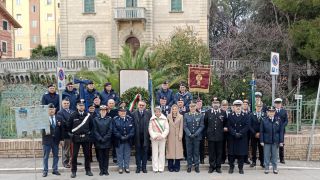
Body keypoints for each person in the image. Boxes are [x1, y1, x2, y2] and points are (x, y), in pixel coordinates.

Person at [68, 99, 94, 178]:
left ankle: (88, 170)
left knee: (87, 155)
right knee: (74, 156)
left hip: (85, 138)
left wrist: (89, 135)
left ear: (84, 107)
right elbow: (68, 127)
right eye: (80, 105)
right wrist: (71, 136)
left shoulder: (88, 115)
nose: (81, 107)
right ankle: (73, 171)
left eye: (82, 105)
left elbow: (92, 127)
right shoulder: (73, 115)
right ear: (77, 106)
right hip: (76, 139)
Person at [204, 99, 227, 174]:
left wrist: (224, 128)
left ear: (219, 104)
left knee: (219, 152)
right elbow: (205, 124)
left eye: (217, 103)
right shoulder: (208, 112)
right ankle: (211, 166)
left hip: (220, 135)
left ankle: (218, 167)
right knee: (211, 152)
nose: (215, 104)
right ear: (212, 104)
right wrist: (207, 134)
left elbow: (226, 123)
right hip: (211, 136)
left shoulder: (223, 113)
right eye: (214, 103)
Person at [227, 100, 249, 174]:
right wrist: (234, 133)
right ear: (234, 107)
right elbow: (229, 126)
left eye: (239, 106)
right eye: (236, 106)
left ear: (241, 106)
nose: (238, 107)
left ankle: (240, 168)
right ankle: (231, 167)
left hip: (242, 138)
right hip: (232, 137)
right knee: (231, 154)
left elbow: (247, 126)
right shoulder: (230, 115)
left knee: (241, 154)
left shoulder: (245, 115)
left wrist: (240, 133)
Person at [260, 106, 284, 174]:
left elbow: (281, 131)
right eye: (270, 111)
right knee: (266, 155)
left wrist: (281, 141)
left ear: (274, 112)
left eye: (272, 111)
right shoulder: (264, 120)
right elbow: (261, 131)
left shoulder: (278, 120)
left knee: (275, 155)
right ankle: (266, 168)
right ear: (267, 112)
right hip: (266, 141)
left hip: (275, 141)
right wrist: (261, 140)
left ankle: (275, 168)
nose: (271, 113)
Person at [41, 103, 63, 177]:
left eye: (52, 109)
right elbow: (40, 130)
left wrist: (61, 139)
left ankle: (55, 170)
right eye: (50, 109)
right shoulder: (43, 118)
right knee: (46, 157)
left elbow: (61, 130)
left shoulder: (59, 117)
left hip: (56, 141)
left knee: (56, 156)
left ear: (55, 110)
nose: (51, 111)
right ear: (47, 110)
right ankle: (45, 171)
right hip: (46, 140)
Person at [113, 107, 135, 174]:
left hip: (128, 140)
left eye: (124, 111)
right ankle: (120, 167)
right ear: (118, 112)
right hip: (119, 140)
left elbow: (133, 129)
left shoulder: (130, 119)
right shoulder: (115, 119)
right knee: (119, 154)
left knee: (127, 154)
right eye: (121, 111)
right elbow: (114, 130)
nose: (123, 113)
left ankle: (126, 167)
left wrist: (128, 136)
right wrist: (120, 136)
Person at [184, 102, 204, 173]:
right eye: (191, 107)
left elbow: (201, 126)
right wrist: (189, 134)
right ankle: (189, 166)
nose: (192, 108)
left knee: (196, 152)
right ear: (189, 108)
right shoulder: (186, 115)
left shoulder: (200, 115)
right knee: (189, 152)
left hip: (197, 137)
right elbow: (185, 126)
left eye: (193, 107)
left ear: (196, 107)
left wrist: (195, 134)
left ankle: (196, 166)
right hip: (188, 137)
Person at [132, 101, 152, 173]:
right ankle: (138, 167)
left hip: (146, 136)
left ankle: (144, 167)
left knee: (145, 152)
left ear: (145, 106)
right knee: (137, 152)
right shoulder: (133, 113)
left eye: (143, 105)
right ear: (138, 105)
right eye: (140, 105)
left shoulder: (149, 113)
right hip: (137, 136)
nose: (141, 106)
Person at [92, 105, 113, 176]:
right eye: (102, 110)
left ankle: (106, 170)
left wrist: (105, 138)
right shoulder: (95, 119)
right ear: (99, 111)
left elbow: (110, 130)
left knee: (106, 157)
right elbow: (95, 130)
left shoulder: (109, 119)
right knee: (100, 157)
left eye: (104, 110)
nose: (103, 111)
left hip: (107, 141)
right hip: (99, 141)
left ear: (106, 111)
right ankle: (101, 170)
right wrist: (100, 138)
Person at [148, 106, 169, 173]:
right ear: (154, 112)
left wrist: (162, 136)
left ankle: (161, 168)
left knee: (162, 153)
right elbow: (150, 129)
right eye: (156, 111)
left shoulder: (164, 119)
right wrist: (154, 136)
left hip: (162, 138)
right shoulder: (152, 119)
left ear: (161, 111)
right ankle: (155, 168)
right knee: (154, 153)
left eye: (159, 111)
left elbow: (167, 129)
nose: (157, 113)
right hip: (154, 138)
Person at [56, 98, 74, 168]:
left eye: (67, 103)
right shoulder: (60, 112)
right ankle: (65, 162)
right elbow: (63, 122)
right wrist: (72, 124)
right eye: (65, 103)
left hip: (73, 133)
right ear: (62, 104)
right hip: (66, 133)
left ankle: (72, 161)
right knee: (66, 149)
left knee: (73, 149)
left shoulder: (72, 111)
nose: (66, 104)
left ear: (69, 104)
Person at [166, 104, 184, 172]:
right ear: (171, 109)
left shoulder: (181, 116)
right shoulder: (168, 116)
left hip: (177, 135)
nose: (174, 110)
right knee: (170, 151)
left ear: (177, 109)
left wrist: (180, 135)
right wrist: (166, 136)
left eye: (175, 109)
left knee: (177, 151)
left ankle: (177, 166)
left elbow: (181, 127)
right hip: (170, 135)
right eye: (173, 109)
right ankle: (170, 166)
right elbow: (166, 126)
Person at [249, 102, 266, 168]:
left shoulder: (264, 115)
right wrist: (255, 133)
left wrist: (260, 133)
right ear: (255, 106)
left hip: (261, 135)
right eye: (257, 106)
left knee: (261, 149)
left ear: (261, 107)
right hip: (253, 135)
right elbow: (249, 125)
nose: (259, 107)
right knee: (254, 149)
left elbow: (265, 125)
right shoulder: (251, 114)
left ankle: (262, 162)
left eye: (260, 106)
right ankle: (253, 162)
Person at [274, 98, 288, 164]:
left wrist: (283, 126)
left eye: (279, 103)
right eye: (276, 103)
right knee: (273, 144)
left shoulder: (284, 111)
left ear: (281, 104)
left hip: (281, 130)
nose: (278, 105)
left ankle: (282, 158)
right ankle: (273, 158)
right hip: (274, 130)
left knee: (281, 144)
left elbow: (286, 121)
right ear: (275, 104)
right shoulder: (272, 111)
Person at [196, 99, 206, 164]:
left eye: (200, 104)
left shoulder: (204, 111)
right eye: (198, 103)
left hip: (202, 132)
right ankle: (196, 159)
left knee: (202, 146)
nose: (199, 105)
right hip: (195, 132)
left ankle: (202, 159)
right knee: (196, 147)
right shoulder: (193, 111)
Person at [220, 100, 230, 164]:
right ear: (221, 106)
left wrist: (228, 128)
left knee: (230, 146)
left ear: (227, 106)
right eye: (223, 105)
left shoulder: (230, 113)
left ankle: (230, 159)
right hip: (222, 132)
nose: (224, 106)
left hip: (229, 132)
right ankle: (222, 159)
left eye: (225, 105)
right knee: (222, 146)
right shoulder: (219, 113)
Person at [242, 99, 251, 165]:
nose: (245, 105)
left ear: (248, 106)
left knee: (246, 146)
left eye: (246, 104)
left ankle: (246, 158)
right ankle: (240, 158)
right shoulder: (240, 112)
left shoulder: (250, 113)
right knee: (240, 145)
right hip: (241, 132)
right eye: (244, 104)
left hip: (248, 132)